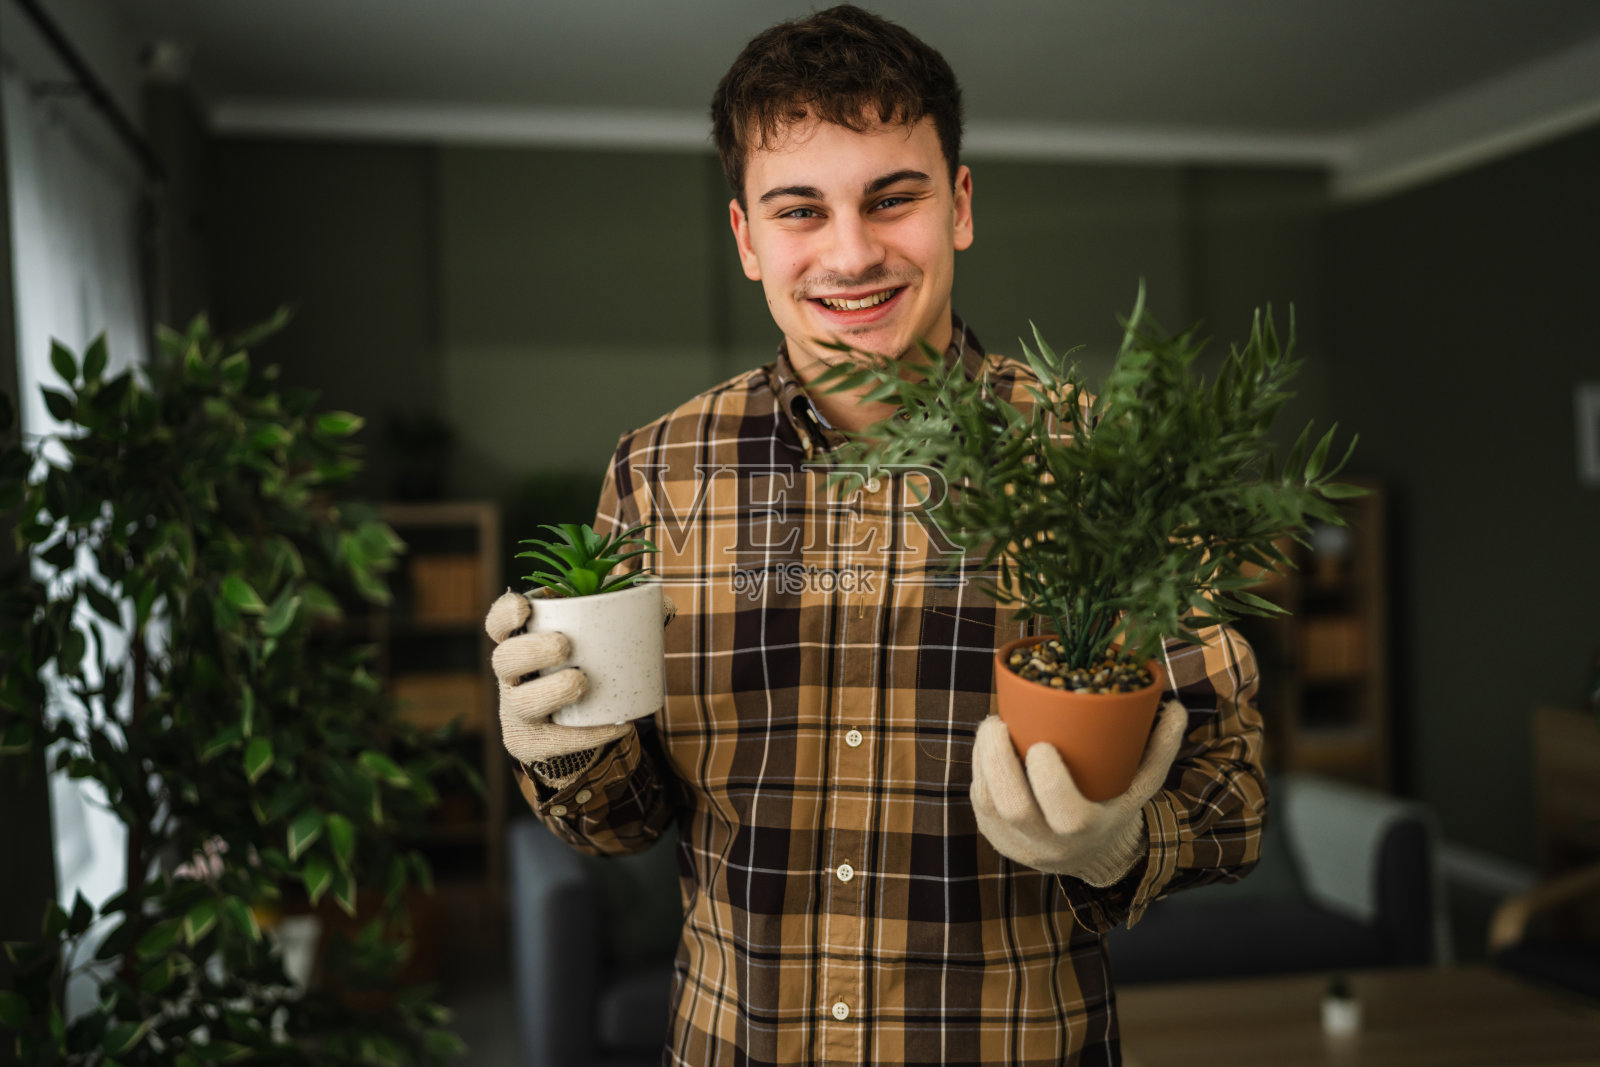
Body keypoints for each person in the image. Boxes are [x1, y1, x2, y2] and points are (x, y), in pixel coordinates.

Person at [486, 6, 1266, 1064]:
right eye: (799, 210)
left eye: (891, 198)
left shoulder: (1103, 462)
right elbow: (628, 819)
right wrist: (560, 750)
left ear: (960, 206)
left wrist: (1117, 841)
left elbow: (1233, 792)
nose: (851, 253)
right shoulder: (657, 467)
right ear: (746, 239)